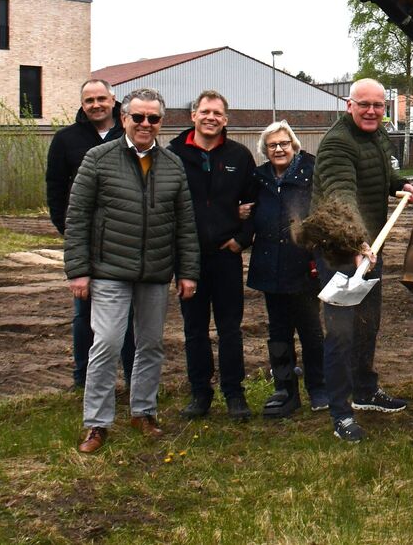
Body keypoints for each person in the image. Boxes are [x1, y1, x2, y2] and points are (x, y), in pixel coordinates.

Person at [64, 88, 200, 453]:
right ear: (123, 118)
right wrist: (78, 270)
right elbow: (76, 217)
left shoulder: (172, 165)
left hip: (155, 272)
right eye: (137, 117)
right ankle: (96, 423)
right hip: (109, 269)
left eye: (152, 118)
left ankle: (143, 411)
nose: (144, 124)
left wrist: (188, 272)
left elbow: (185, 225)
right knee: (106, 343)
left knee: (151, 345)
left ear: (161, 122)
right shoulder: (98, 158)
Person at [312, 78, 413, 443]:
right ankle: (340, 414)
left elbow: (377, 175)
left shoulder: (375, 135)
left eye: (378, 105)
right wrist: (357, 240)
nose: (372, 111)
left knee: (367, 324)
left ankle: (365, 391)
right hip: (339, 248)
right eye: (364, 105)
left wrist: (399, 185)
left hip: (367, 247)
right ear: (349, 105)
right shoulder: (336, 144)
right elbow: (342, 195)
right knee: (341, 332)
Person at [168, 91, 259, 421]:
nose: (211, 117)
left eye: (217, 113)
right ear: (193, 115)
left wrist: (241, 240)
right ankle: (200, 393)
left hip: (226, 258)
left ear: (226, 119)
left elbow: (255, 204)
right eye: (204, 111)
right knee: (194, 330)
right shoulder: (174, 155)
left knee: (230, 329)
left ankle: (234, 394)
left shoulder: (239, 155)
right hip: (189, 258)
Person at [46, 79, 134, 390]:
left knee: (128, 314)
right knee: (84, 313)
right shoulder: (66, 139)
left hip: (126, 238)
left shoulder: (131, 133)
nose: (95, 105)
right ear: (82, 104)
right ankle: (83, 378)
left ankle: (133, 378)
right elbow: (55, 190)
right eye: (89, 100)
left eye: (101, 98)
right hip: (85, 241)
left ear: (113, 100)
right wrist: (69, 231)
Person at [246, 120, 327, 418]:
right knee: (278, 332)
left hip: (303, 266)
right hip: (270, 266)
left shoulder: (311, 173)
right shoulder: (259, 178)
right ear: (265, 151)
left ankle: (319, 387)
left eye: (283, 144)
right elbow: (247, 209)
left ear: (294, 145)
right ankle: (284, 388)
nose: (279, 149)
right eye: (272, 145)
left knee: (310, 330)